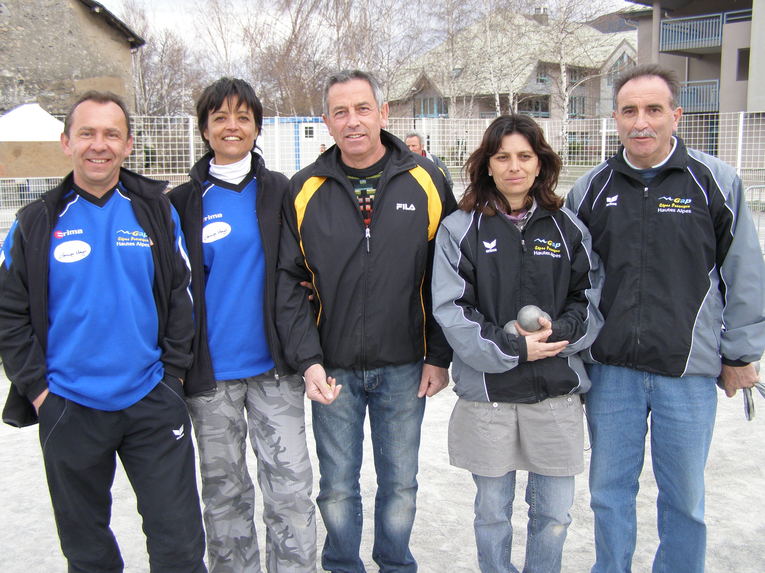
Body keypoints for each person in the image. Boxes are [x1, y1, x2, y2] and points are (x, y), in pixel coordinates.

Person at [565, 64, 765, 573]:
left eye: (654, 109)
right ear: (615, 118)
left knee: (684, 502)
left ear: (676, 115)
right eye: (629, 111)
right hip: (611, 371)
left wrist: (741, 353)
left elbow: (744, 272)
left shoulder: (715, 182)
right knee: (609, 495)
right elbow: (569, 277)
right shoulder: (589, 190)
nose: (642, 122)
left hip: (687, 372)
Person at [0, 91, 206, 572]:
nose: (99, 144)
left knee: (178, 545)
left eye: (111, 134)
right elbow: (8, 315)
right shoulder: (35, 222)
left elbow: (182, 296)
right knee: (88, 552)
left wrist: (172, 378)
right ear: (66, 142)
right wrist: (38, 391)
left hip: (151, 400)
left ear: (128, 144)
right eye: (87, 133)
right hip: (68, 405)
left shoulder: (155, 209)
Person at [276, 69, 456, 572]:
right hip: (332, 369)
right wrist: (308, 360)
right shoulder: (304, 188)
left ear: (383, 112)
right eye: (340, 112)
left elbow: (449, 275)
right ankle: (342, 566)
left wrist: (438, 356)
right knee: (336, 485)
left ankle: (396, 563)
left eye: (362, 108)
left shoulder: (427, 180)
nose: (352, 121)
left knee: (400, 482)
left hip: (404, 366)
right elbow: (289, 283)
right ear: (327, 123)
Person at [432, 114, 603, 573]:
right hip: (489, 396)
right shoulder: (459, 228)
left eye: (524, 156)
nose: (514, 166)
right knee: (492, 516)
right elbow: (452, 309)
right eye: (502, 156)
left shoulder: (568, 228)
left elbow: (587, 299)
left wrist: (556, 336)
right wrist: (512, 346)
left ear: (539, 163)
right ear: (487, 164)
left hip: (555, 392)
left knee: (553, 516)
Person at [169, 78, 316, 573]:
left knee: (291, 490)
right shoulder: (182, 202)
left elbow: (306, 274)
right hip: (209, 378)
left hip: (276, 371)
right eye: (220, 118)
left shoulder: (283, 191)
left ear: (257, 127)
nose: (232, 127)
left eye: (243, 117)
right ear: (205, 129)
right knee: (224, 496)